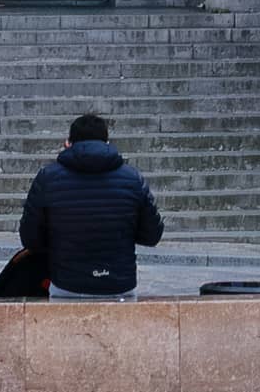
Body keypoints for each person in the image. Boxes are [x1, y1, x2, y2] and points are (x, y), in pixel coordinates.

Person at [14, 107, 164, 301]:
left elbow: (30, 238)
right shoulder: (132, 178)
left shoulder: (47, 178)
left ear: (68, 144)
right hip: (119, 285)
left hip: (67, 284)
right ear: (107, 143)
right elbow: (153, 235)